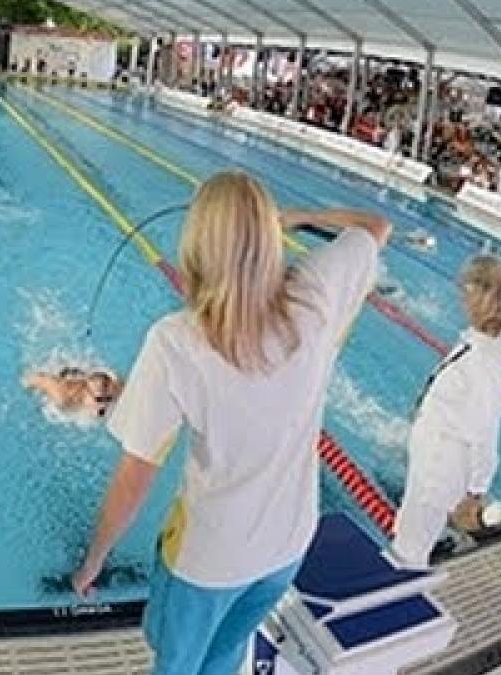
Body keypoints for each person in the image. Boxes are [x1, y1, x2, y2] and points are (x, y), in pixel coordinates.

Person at [70, 171, 390, 675]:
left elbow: (135, 477)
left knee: (175, 660)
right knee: (225, 657)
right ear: (268, 238)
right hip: (287, 544)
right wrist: (302, 218)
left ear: (196, 246)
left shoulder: (176, 341)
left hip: (208, 559)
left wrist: (94, 561)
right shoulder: (316, 297)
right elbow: (374, 228)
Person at [391, 255, 501, 568]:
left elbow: (485, 429)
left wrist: (476, 491)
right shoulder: (491, 343)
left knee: (410, 549)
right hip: (436, 454)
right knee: (412, 537)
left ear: (484, 294)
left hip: (443, 465)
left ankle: (400, 599)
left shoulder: (486, 360)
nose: (461, 297)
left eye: (467, 290)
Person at [23, 367, 123, 419]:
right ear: (86, 393)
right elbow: (33, 379)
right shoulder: (63, 395)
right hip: (64, 389)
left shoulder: (116, 389)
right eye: (99, 400)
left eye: (108, 398)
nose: (103, 405)